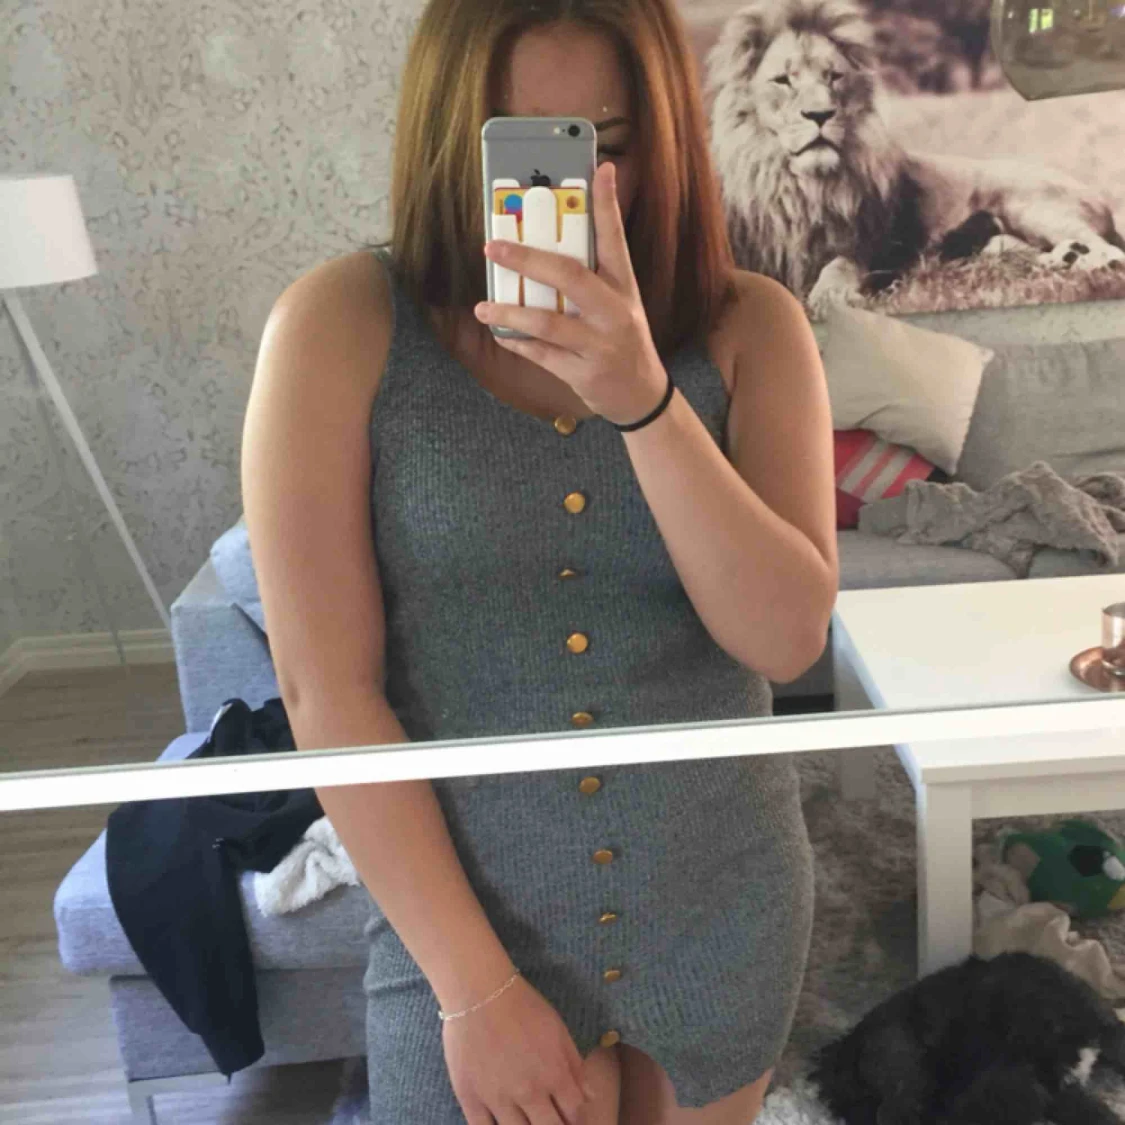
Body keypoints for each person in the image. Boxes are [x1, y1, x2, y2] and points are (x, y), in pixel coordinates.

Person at [241, 0, 838, 1121]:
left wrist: (644, 402)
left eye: (607, 144)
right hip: (465, 926)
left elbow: (785, 638)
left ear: (667, 138)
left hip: (722, 902)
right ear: (446, 137)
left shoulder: (753, 327)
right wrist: (473, 992)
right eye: (520, 145)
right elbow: (328, 693)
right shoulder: (338, 326)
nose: (564, 185)